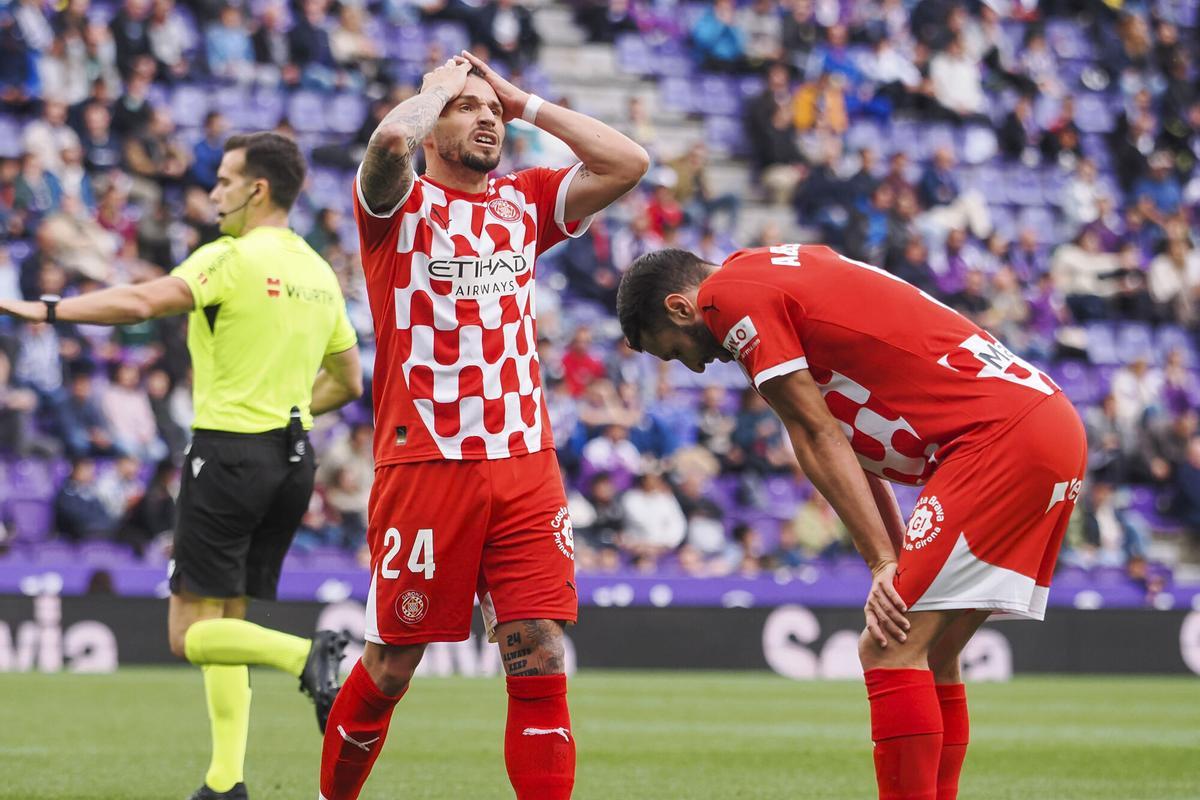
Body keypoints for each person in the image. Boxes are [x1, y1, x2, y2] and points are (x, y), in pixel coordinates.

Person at [615, 244, 1086, 800]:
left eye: (672, 353)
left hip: (998, 439)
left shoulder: (728, 298)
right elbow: (849, 447)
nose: (692, 365)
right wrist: (889, 556)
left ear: (679, 307)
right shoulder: (767, 270)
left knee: (888, 646)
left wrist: (882, 560)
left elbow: (815, 435)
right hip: (1040, 426)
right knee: (930, 654)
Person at [320, 52, 648, 800]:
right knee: (390, 666)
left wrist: (522, 99)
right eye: (468, 108)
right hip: (426, 465)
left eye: (490, 110)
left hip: (526, 466)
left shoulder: (521, 203)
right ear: (433, 122)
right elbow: (387, 150)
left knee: (537, 652)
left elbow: (628, 161)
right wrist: (433, 89)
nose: (486, 117)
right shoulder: (395, 209)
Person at [0, 131, 365, 800]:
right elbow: (347, 380)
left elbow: (142, 302)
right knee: (226, 616)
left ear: (258, 189)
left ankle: (305, 654)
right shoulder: (319, 271)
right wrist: (290, 410)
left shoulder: (228, 256)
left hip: (228, 456)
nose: (214, 191)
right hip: (292, 462)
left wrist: (45, 309)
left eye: (225, 180)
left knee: (188, 634)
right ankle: (225, 779)